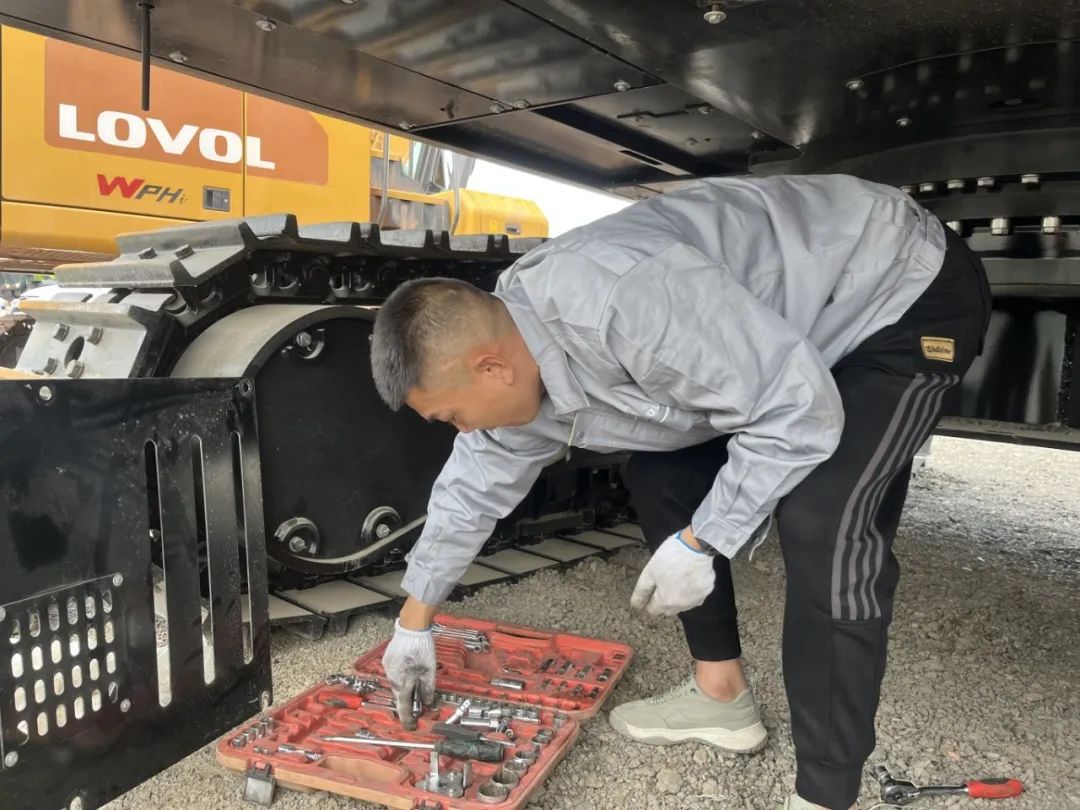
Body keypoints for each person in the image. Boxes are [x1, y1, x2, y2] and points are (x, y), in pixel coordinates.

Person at [369, 174, 991, 810]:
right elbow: (471, 488)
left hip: (892, 287)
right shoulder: (516, 359)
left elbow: (798, 409)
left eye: (451, 415)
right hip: (783, 337)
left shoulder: (624, 301)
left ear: (493, 367)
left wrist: (703, 540)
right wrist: (414, 624)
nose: (460, 430)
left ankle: (826, 791)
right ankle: (721, 697)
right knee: (663, 477)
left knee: (823, 521)